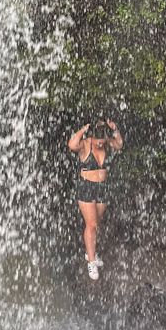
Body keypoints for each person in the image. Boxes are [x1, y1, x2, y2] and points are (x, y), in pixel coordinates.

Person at [67, 118, 123, 281]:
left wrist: (115, 129)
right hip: (86, 187)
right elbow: (71, 145)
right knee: (91, 225)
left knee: (96, 224)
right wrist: (82, 130)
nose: (100, 144)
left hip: (102, 188)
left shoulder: (108, 142)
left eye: (102, 141)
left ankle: (89, 252)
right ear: (93, 137)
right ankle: (91, 261)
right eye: (98, 141)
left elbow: (119, 144)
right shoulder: (85, 144)